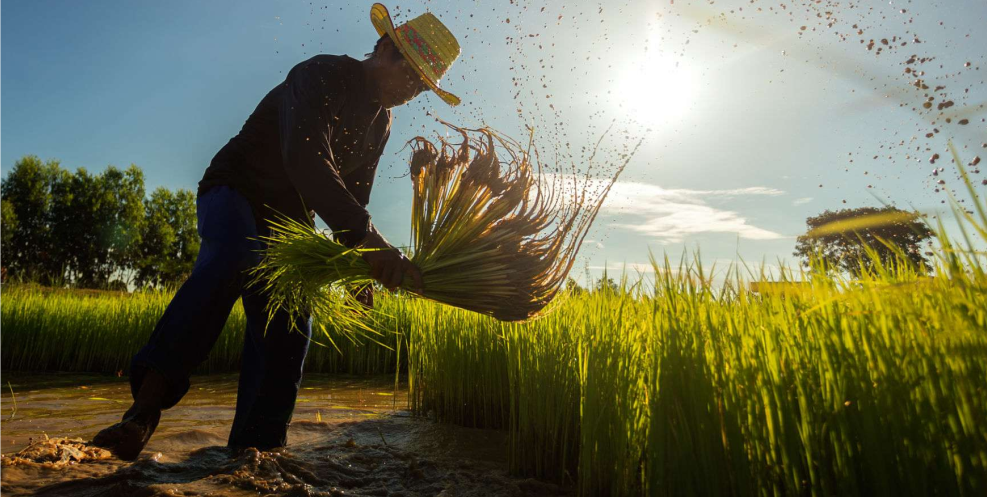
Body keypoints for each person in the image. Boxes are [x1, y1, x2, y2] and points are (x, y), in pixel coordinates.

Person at [92, 3, 462, 460]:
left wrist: (355, 269)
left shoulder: (381, 124)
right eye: (412, 78)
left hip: (289, 225)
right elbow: (305, 161)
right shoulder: (321, 74)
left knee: (291, 325)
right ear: (386, 50)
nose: (413, 93)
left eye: (423, 88)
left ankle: (254, 455)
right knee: (233, 258)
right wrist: (371, 242)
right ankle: (141, 415)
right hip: (235, 191)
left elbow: (354, 197)